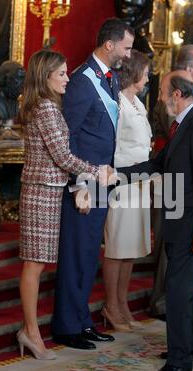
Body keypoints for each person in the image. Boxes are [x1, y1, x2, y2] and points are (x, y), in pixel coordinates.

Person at [118, 71, 193, 371]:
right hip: (178, 221)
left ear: (177, 94)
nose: (160, 98)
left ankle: (180, 361)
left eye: (163, 92)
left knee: (176, 290)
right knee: (185, 291)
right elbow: (158, 164)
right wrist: (115, 176)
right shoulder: (183, 123)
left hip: (192, 228)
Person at [17, 49, 106, 360]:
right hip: (41, 193)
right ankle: (30, 332)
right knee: (34, 265)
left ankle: (31, 331)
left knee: (37, 264)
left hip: (50, 191)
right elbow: (63, 157)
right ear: (46, 77)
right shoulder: (45, 109)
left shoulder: (46, 106)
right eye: (62, 74)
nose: (68, 79)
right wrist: (98, 171)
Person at [52, 19, 134, 349]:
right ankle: (66, 326)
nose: (128, 54)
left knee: (88, 254)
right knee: (75, 254)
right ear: (110, 45)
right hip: (85, 183)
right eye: (126, 47)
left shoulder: (109, 79)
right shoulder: (84, 81)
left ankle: (82, 320)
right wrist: (78, 186)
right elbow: (68, 136)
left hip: (103, 181)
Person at [149, 44, 193, 320]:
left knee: (182, 258)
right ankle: (166, 301)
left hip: (187, 186)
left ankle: (182, 307)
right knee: (171, 249)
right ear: (188, 69)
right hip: (174, 183)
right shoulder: (173, 98)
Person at [102, 50, 152, 331]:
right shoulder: (117, 102)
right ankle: (110, 306)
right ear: (133, 73)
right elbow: (114, 144)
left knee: (131, 246)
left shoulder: (138, 103)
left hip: (140, 183)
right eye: (144, 72)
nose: (147, 77)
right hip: (121, 181)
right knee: (117, 245)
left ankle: (123, 303)